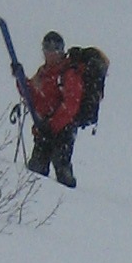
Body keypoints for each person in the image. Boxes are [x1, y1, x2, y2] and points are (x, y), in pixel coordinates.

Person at [26, 32, 84, 187]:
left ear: (61, 50)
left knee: (63, 174)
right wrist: (21, 81)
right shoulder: (43, 72)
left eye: (55, 48)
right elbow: (33, 95)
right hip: (44, 128)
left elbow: (71, 105)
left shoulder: (69, 73)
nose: (50, 52)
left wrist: (52, 125)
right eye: (47, 47)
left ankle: (73, 205)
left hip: (63, 130)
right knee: (34, 173)